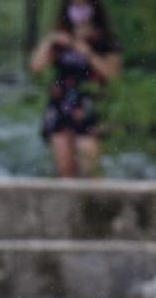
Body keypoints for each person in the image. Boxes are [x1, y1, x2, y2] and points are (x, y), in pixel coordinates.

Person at [29, 0, 122, 178]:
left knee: (91, 171)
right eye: (75, 6)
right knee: (65, 171)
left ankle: (95, 205)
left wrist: (86, 52)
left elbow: (112, 74)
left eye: (83, 6)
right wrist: (49, 41)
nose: (78, 11)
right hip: (60, 103)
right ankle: (70, 206)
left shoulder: (105, 38)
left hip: (90, 104)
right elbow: (36, 67)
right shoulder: (60, 37)